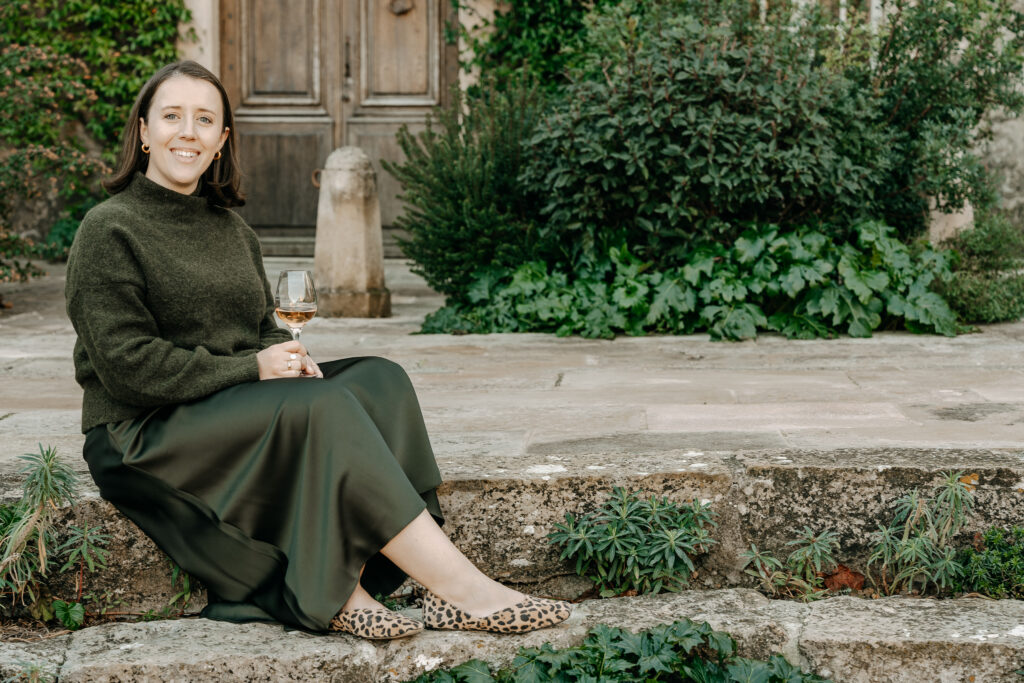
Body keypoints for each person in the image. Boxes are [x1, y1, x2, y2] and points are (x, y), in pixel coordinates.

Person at [65, 60, 571, 640]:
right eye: (172, 116)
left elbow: (261, 326)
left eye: (205, 119)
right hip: (142, 432)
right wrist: (255, 367)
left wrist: (285, 355)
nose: (188, 132)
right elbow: (129, 369)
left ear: (222, 138)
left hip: (223, 403)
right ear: (143, 130)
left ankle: (389, 583)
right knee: (319, 407)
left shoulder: (232, 230)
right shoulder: (108, 230)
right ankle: (452, 590)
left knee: (379, 379)